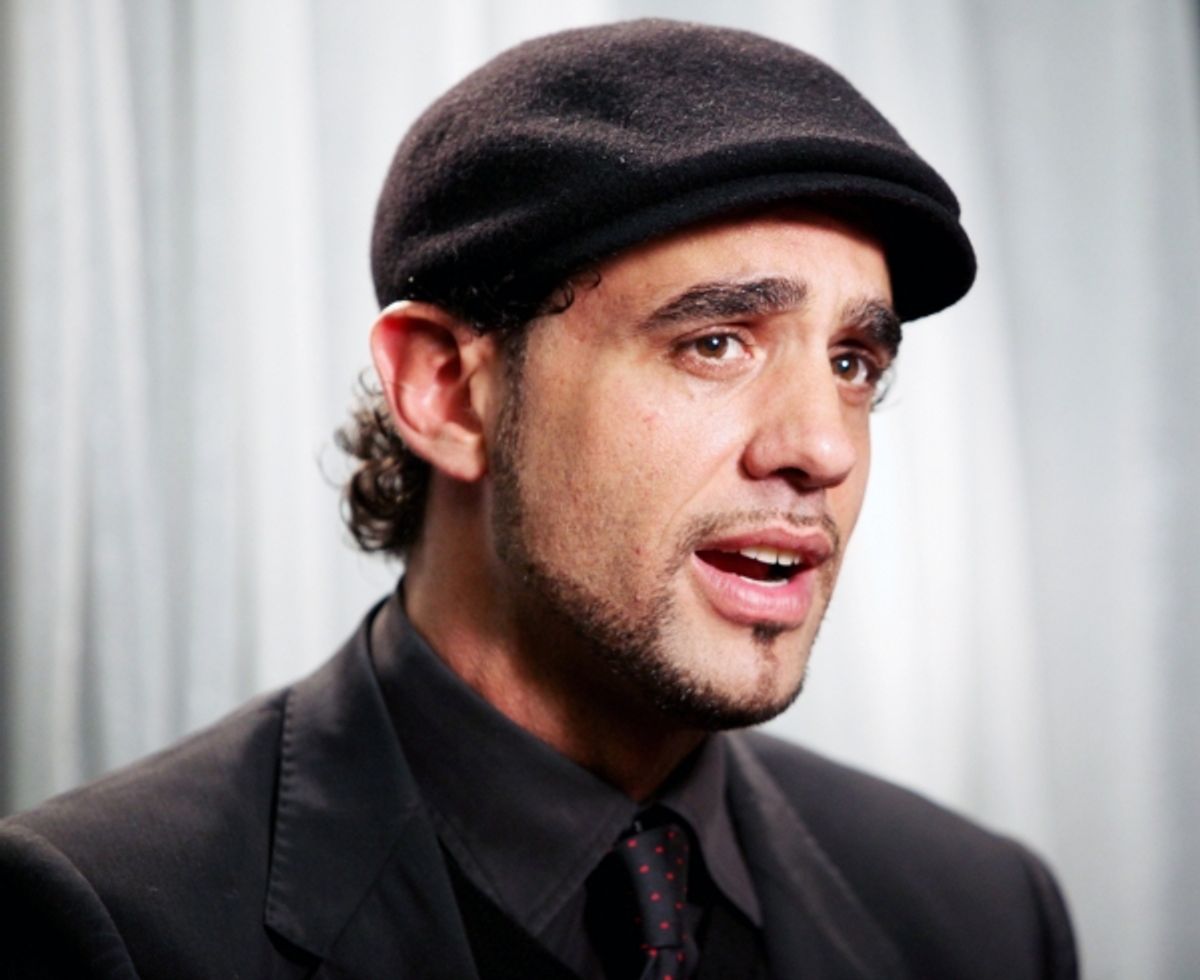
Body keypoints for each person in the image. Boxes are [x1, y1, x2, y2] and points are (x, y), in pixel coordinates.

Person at [0, 19, 1077, 980]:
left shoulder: (984, 914)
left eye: (852, 362)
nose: (823, 447)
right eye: (715, 342)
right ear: (446, 389)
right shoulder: (100, 923)